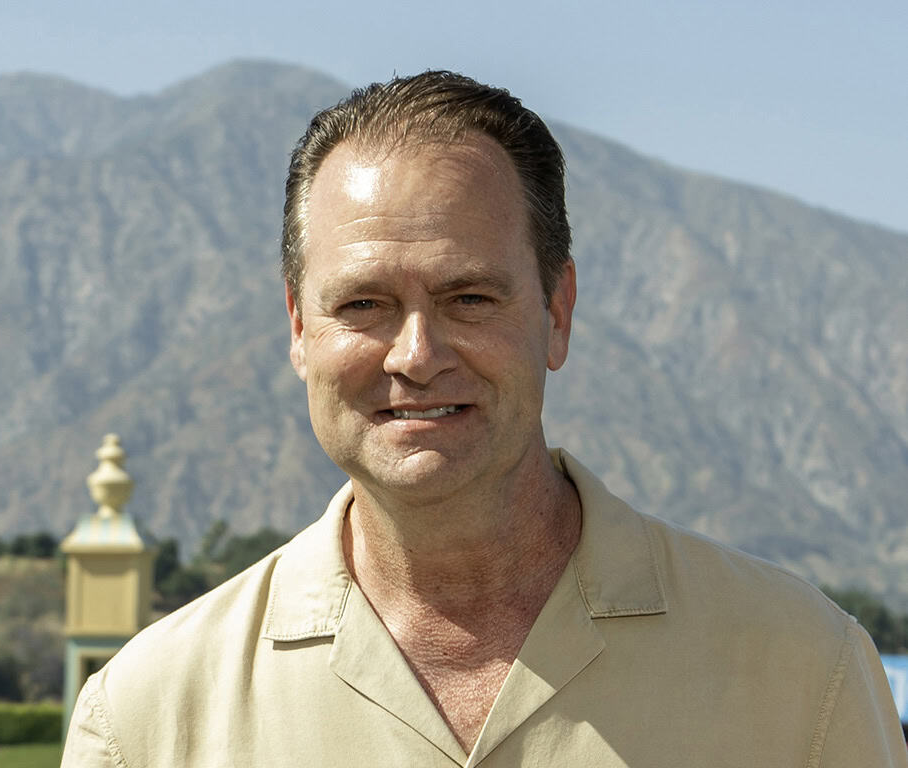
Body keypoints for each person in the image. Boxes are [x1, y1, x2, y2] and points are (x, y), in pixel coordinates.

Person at [61, 71, 906, 767]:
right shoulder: (146, 721)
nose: (416, 355)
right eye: (363, 304)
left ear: (558, 312)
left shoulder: (803, 673)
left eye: (468, 297)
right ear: (298, 329)